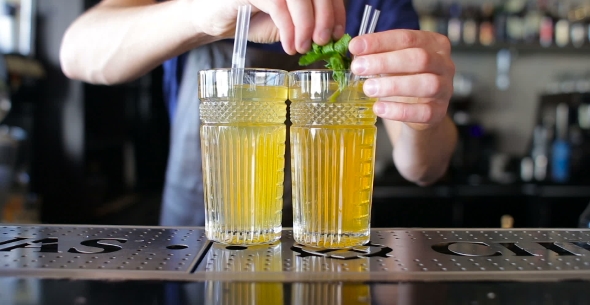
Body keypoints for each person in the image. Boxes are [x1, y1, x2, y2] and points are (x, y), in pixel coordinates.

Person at [60, 0, 458, 227]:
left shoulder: (376, 4)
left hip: (326, 240)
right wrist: (202, 15)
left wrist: (425, 111)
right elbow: (77, 52)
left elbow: (424, 168)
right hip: (198, 238)